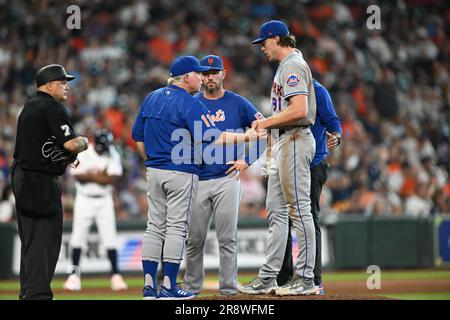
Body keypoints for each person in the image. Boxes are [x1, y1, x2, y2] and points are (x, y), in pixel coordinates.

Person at [132, 56, 263, 300]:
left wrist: (151, 163)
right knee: (178, 230)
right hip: (183, 172)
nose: (203, 78)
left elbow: (138, 137)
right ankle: (170, 287)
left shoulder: (152, 97)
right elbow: (213, 137)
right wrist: (248, 139)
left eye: (210, 73)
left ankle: (150, 288)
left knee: (154, 228)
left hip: (156, 171)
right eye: (199, 73)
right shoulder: (191, 103)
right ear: (187, 77)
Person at [239, 20, 317, 296]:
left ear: (276, 39)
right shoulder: (286, 67)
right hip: (284, 140)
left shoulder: (293, 65)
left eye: (263, 43)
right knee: (275, 210)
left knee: (299, 209)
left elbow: (300, 109)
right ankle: (269, 276)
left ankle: (306, 279)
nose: (261, 48)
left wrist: (267, 123)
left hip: (295, 137)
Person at [183, 55, 265, 296]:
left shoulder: (238, 103)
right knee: (194, 239)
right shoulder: (192, 102)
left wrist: (247, 161)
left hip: (226, 178)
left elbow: (265, 130)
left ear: (223, 74)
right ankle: (191, 288)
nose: (210, 77)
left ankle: (228, 290)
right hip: (197, 179)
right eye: (205, 74)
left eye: (214, 72)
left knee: (227, 239)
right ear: (200, 76)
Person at [10, 64, 88, 300]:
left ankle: (29, 293)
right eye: (62, 82)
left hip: (23, 177)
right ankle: (38, 295)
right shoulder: (52, 107)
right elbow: (71, 145)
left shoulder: (29, 106)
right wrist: (83, 141)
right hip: (39, 180)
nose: (67, 86)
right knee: (45, 240)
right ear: (48, 85)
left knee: (32, 241)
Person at [276, 79, 342, 295]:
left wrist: (336, 137)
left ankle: (314, 279)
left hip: (313, 164)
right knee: (282, 219)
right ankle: (284, 278)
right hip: (287, 162)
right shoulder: (281, 89)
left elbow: (333, 124)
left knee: (309, 218)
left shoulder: (318, 91)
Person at [63, 129, 128, 291]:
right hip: (84, 199)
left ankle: (116, 275)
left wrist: (90, 175)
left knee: (110, 238)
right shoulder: (84, 152)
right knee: (77, 238)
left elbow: (111, 179)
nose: (105, 148)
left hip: (104, 200)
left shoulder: (112, 153)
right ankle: (74, 276)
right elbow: (77, 175)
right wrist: (98, 176)